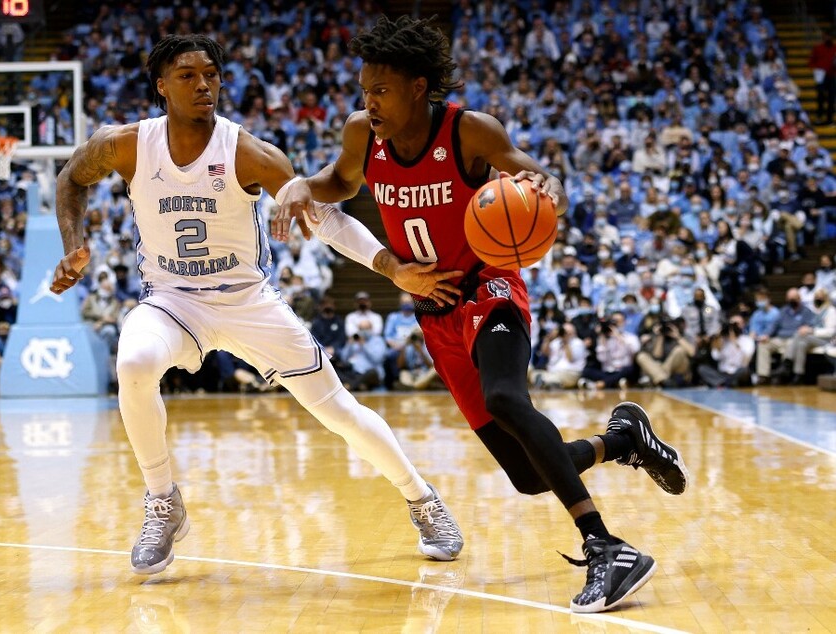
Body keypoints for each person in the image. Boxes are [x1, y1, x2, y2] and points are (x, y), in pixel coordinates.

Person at [276, 16, 688, 614]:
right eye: (364, 90)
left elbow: (539, 177)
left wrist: (544, 193)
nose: (370, 102)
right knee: (526, 475)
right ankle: (623, 439)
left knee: (506, 399)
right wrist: (302, 186)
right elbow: (340, 182)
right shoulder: (363, 134)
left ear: (419, 86)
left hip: (489, 286)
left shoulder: (468, 131)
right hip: (433, 309)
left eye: (382, 90)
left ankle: (605, 546)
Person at [48, 34, 463, 577]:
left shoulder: (248, 152)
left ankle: (422, 498)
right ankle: (162, 502)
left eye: (212, 75)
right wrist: (72, 242)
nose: (203, 85)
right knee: (133, 363)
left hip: (248, 301)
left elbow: (326, 217)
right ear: (161, 86)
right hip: (172, 300)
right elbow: (70, 179)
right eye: (188, 75)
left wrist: (392, 267)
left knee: (339, 412)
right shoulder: (125, 144)